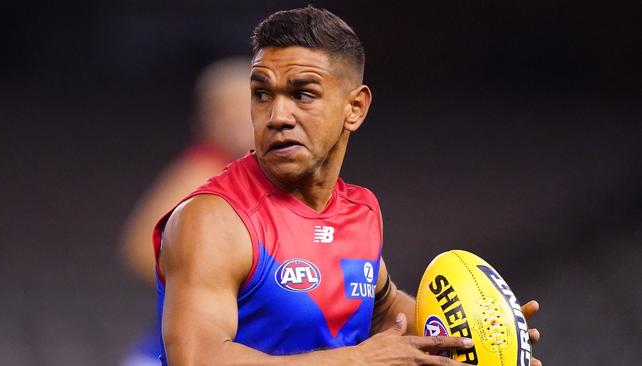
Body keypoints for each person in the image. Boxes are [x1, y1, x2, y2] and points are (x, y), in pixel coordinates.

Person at [153, 6, 542, 365]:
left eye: (302, 94)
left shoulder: (359, 210)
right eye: (261, 94)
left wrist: (484, 338)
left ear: (354, 108)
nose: (277, 116)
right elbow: (196, 359)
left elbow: (385, 309)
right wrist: (356, 361)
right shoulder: (214, 219)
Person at [118, 57, 254, 366]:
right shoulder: (203, 169)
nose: (238, 120)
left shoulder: (255, 176)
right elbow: (139, 248)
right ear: (207, 118)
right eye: (226, 109)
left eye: (246, 107)